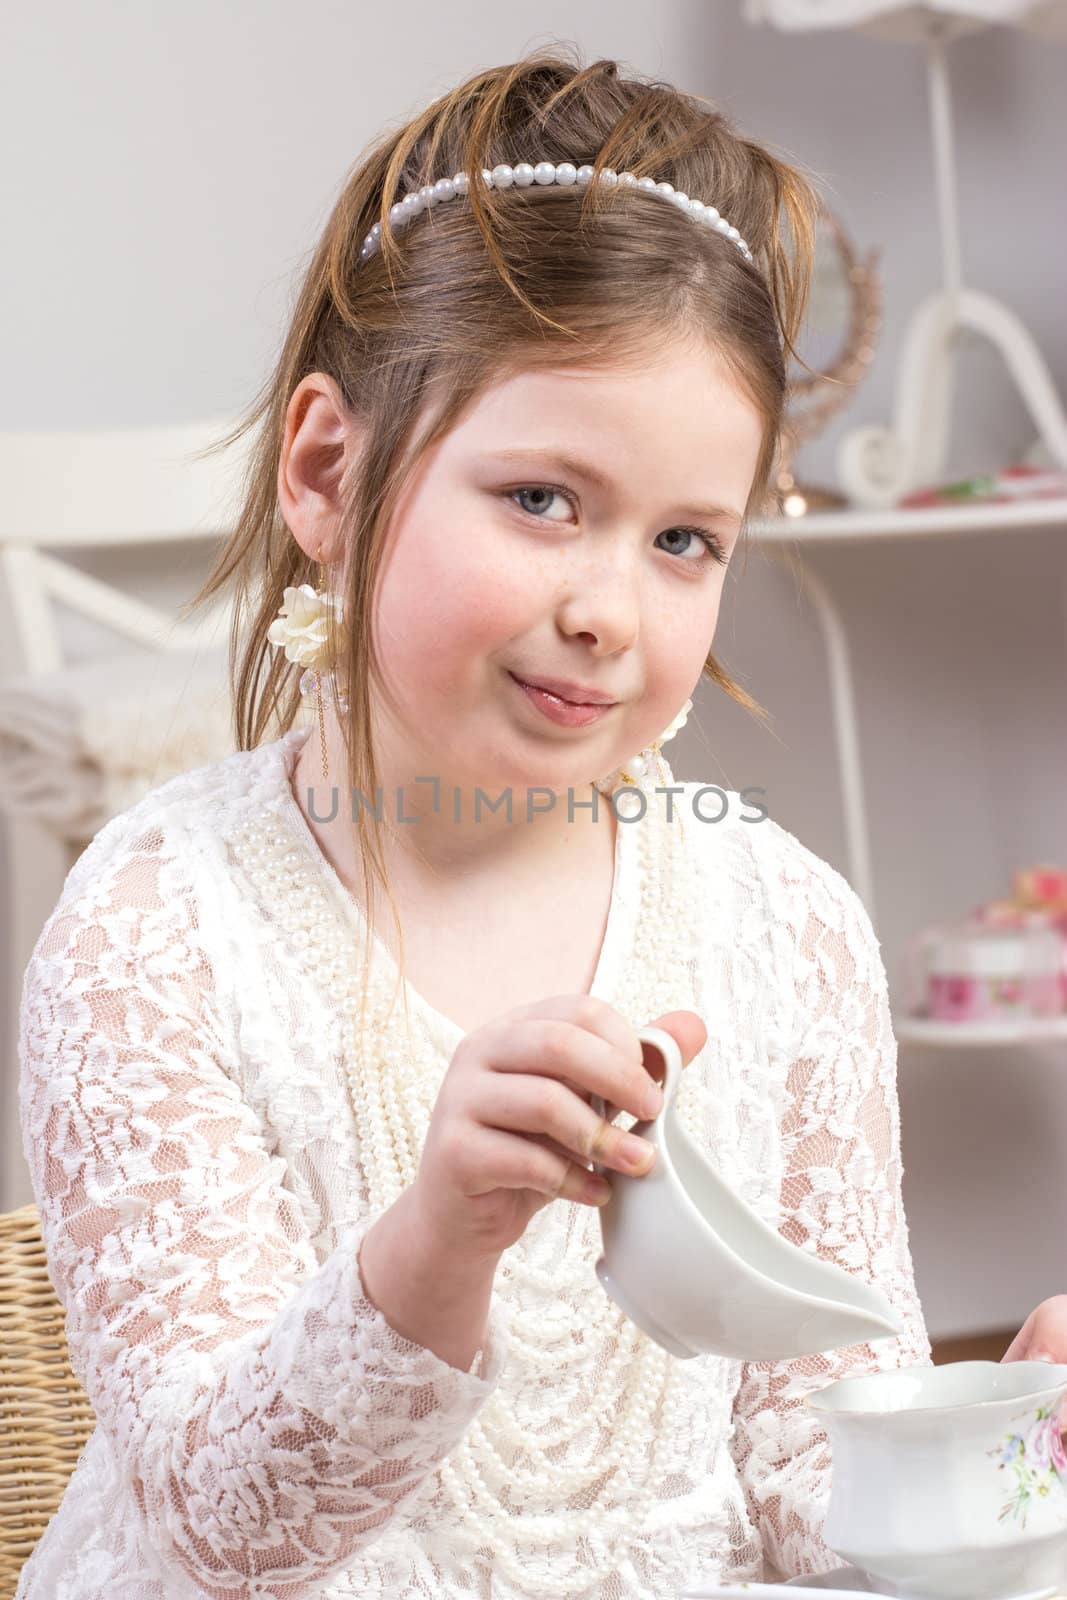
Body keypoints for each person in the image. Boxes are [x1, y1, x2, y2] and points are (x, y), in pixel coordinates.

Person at [15, 44, 1057, 1600]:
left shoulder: (785, 927)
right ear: (326, 471)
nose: (608, 611)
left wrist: (993, 1461)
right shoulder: (161, 923)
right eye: (543, 500)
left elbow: (800, 1472)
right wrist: (437, 1236)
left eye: (687, 539)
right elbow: (220, 1525)